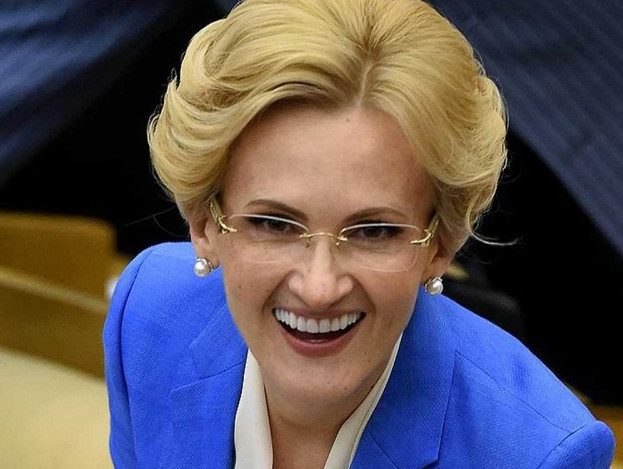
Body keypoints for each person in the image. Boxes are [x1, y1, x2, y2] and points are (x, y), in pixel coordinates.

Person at [103, 0, 615, 467]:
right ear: (203, 222)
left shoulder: (537, 454)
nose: (319, 288)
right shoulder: (148, 314)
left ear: (441, 243)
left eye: (373, 232)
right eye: (274, 224)